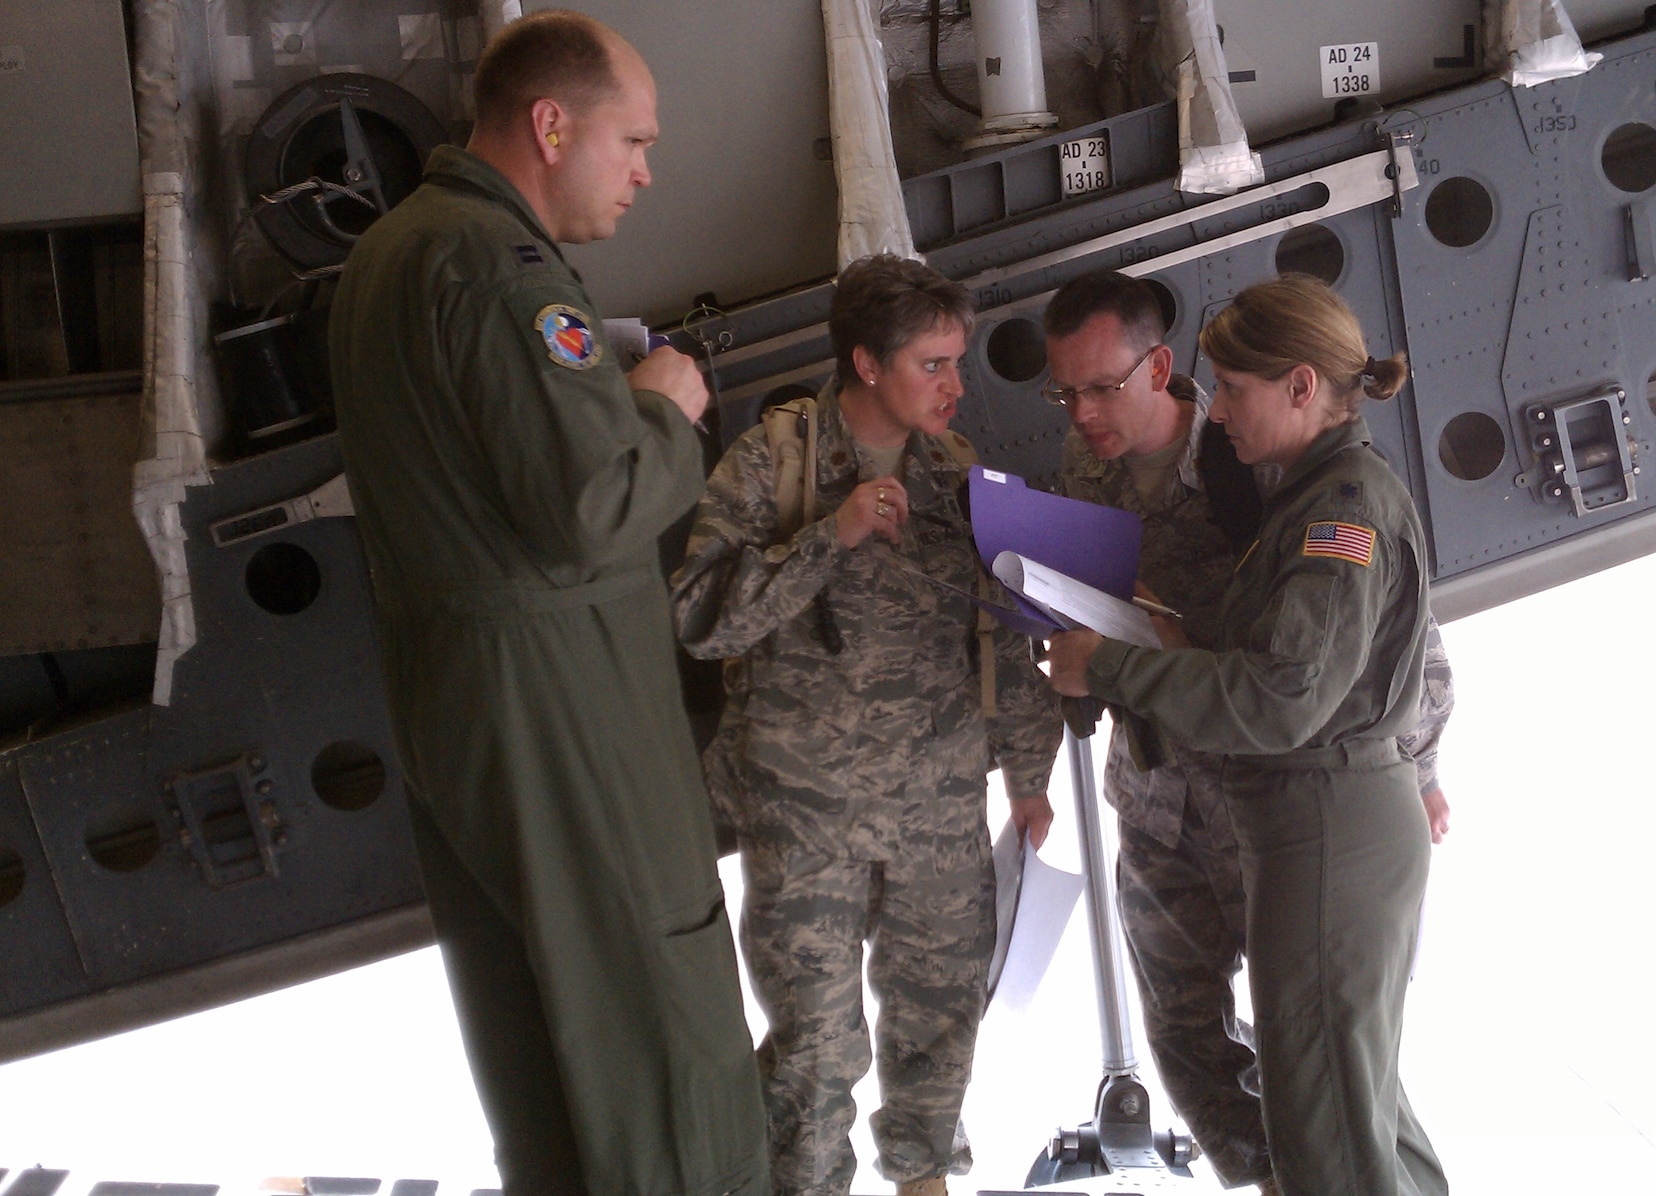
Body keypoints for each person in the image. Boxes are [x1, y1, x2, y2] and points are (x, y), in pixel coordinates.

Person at [327, 12, 767, 1195]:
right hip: (568, 710)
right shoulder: (499, 265)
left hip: (461, 708)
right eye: (633, 140)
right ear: (549, 123)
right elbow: (592, 501)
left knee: (542, 1049)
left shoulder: (387, 256)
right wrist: (661, 406)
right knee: (655, 1023)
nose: (645, 171)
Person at [1039, 270, 1455, 1193]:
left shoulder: (1334, 508)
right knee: (1355, 1116)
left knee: (1332, 1129)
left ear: (1301, 386)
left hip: (1319, 809)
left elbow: (1286, 693)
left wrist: (1110, 666)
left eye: (1231, 388)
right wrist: (1174, 639)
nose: (1218, 409)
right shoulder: (1312, 489)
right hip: (1281, 806)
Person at [671, 254, 1063, 1196]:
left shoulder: (961, 474)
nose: (953, 385)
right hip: (809, 813)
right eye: (932, 364)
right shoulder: (774, 461)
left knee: (942, 1016)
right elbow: (699, 618)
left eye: (956, 362)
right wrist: (828, 536)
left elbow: (1004, 634)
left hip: (936, 803)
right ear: (867, 363)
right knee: (815, 1043)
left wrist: (1029, 774)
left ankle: (925, 1177)